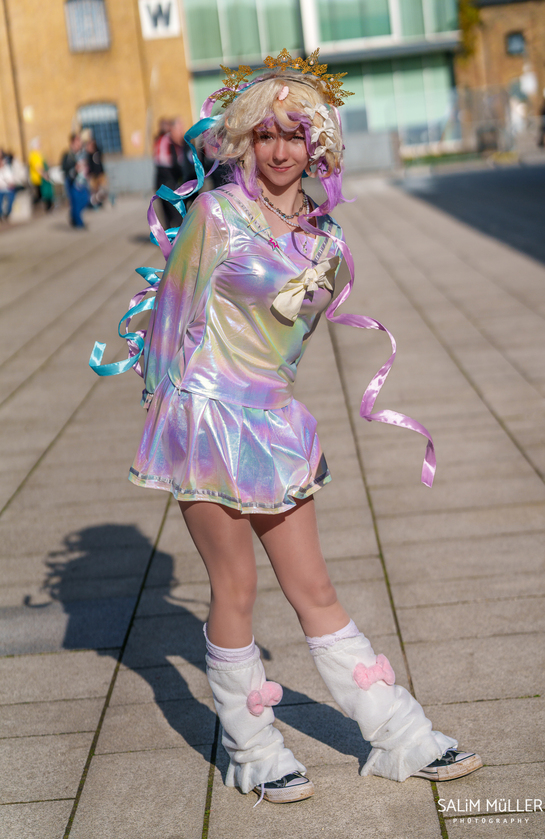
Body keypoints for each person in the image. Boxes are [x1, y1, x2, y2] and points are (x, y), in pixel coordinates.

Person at [90, 50, 481, 806]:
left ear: (318, 146)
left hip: (272, 423)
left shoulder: (327, 240)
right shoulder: (214, 214)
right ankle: (251, 747)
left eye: (294, 136)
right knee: (234, 585)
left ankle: (398, 734)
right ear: (243, 139)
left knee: (315, 585)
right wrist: (170, 415)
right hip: (204, 420)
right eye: (265, 135)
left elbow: (291, 344)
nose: (278, 150)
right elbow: (170, 322)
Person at [61, 133, 90, 228]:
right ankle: (79, 223)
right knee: (76, 202)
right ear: (73, 143)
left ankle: (73, 216)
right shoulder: (68, 155)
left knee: (86, 199)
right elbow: (64, 168)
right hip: (72, 182)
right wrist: (75, 168)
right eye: (78, 142)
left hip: (83, 181)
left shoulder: (82, 154)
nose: (80, 144)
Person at [28, 137, 53, 212]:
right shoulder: (34, 155)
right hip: (38, 178)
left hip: (41, 177)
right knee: (41, 194)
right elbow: (37, 167)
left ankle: (47, 207)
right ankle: (42, 208)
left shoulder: (39, 154)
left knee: (44, 194)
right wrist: (44, 175)